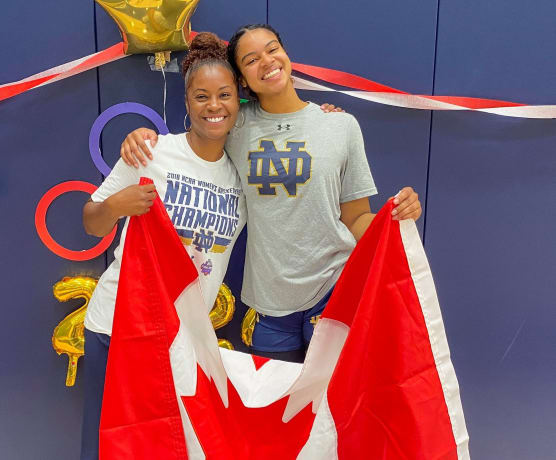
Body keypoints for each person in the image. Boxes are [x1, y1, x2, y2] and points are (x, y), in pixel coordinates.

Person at [119, 24, 422, 363]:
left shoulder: (341, 126)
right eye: (251, 59)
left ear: (286, 54)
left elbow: (356, 217)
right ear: (242, 81)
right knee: (279, 413)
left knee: (331, 409)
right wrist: (143, 136)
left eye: (272, 48)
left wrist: (396, 220)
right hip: (269, 305)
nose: (266, 61)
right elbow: (192, 145)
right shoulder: (233, 124)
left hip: (335, 291)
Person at [79, 32, 246, 460]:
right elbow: (91, 220)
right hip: (118, 327)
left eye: (224, 95)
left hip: (180, 341)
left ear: (238, 100)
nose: (213, 106)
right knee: (108, 446)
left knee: (168, 448)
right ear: (186, 102)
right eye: (201, 96)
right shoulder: (152, 152)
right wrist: (116, 205)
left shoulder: (241, 180)